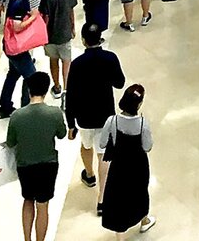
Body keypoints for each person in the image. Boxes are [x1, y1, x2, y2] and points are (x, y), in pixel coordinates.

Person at [5, 70, 68, 241]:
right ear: (46, 90)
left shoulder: (17, 116)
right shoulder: (54, 114)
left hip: (25, 165)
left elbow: (10, 142)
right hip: (48, 164)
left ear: (28, 90)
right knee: (43, 205)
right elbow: (62, 134)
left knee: (27, 200)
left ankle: (27, 239)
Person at [64, 21, 126, 193]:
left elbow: (71, 95)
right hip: (105, 113)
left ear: (83, 40)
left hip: (84, 116)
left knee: (86, 145)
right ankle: (103, 194)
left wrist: (70, 123)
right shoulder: (110, 58)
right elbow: (120, 83)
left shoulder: (77, 64)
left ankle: (89, 174)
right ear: (100, 39)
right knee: (103, 153)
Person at [99, 83, 156, 236]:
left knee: (119, 198)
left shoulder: (112, 121)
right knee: (140, 193)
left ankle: (120, 235)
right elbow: (147, 147)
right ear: (139, 104)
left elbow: (102, 143)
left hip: (119, 166)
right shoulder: (143, 124)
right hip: (138, 166)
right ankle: (144, 220)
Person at [38, 0, 77, 99]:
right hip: (65, 33)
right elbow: (71, 12)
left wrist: (43, 35)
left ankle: (56, 86)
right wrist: (73, 27)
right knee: (67, 62)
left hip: (50, 37)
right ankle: (67, 89)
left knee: (53, 61)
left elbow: (46, 19)